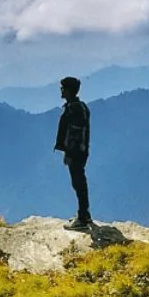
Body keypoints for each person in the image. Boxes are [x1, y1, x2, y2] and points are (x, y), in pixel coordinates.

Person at [55, 77, 92, 230]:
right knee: (79, 181)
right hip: (81, 151)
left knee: (78, 182)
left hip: (76, 152)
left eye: (63, 88)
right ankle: (84, 214)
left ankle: (82, 219)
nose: (61, 90)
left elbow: (74, 134)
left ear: (69, 90)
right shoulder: (80, 107)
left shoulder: (73, 109)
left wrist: (69, 153)